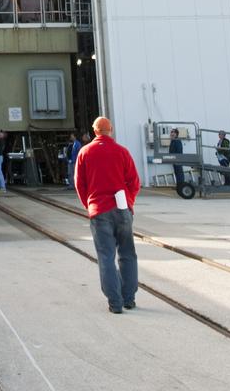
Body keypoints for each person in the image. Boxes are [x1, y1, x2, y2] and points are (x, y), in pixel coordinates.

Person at [74, 116, 140, 314]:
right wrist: (128, 203)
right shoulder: (122, 152)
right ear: (110, 130)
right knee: (128, 253)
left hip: (99, 211)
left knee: (106, 256)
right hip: (123, 210)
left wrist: (90, 206)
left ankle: (115, 303)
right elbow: (134, 183)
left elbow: (80, 184)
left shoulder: (85, 152)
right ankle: (129, 298)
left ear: (95, 132)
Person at [168, 127, 185, 195]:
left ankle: (181, 185)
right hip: (174, 159)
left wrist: (177, 158)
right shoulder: (173, 141)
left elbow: (179, 151)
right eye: (171, 132)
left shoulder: (177, 141)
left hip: (177, 159)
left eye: (173, 132)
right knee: (177, 172)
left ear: (176, 134)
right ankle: (179, 186)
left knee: (179, 172)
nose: (172, 133)